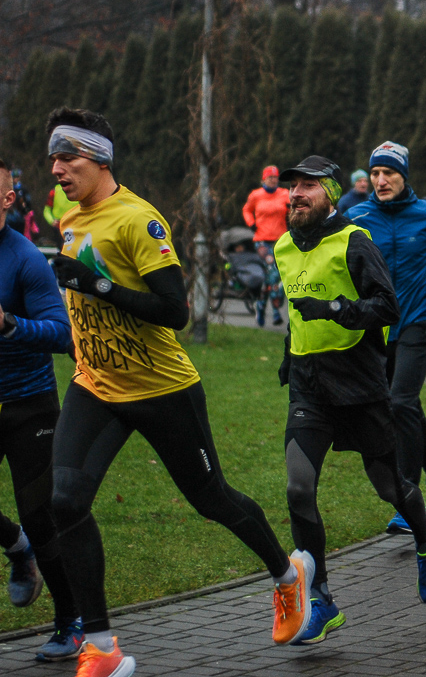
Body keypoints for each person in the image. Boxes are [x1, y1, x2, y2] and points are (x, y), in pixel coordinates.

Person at [44, 109, 312, 677]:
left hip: (162, 389)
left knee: (212, 499)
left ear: (100, 159)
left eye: (67, 157)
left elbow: (174, 311)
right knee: (64, 501)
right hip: (95, 385)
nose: (57, 168)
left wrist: (95, 284)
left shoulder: (139, 220)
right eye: (53, 159)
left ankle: (288, 575)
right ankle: (101, 647)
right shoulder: (69, 219)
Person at [274, 155, 426, 643]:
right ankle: (322, 600)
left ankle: (424, 540)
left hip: (359, 386)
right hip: (310, 387)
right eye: (292, 187)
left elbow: (387, 307)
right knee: (298, 489)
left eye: (308, 186)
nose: (296, 194)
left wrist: (334, 309)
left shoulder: (355, 241)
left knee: (390, 487)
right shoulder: (283, 245)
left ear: (330, 193)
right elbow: (296, 311)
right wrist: (289, 353)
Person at [348, 141, 426, 535]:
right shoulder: (356, 217)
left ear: (404, 176)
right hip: (377, 327)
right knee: (402, 405)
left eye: (388, 173)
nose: (380, 180)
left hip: (420, 319)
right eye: (375, 173)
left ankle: (407, 496)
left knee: (400, 402)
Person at [0, 156, 83, 662]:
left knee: (41, 514)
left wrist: (8, 324)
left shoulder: (25, 258)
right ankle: (16, 546)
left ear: (8, 199)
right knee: (27, 530)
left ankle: (70, 620)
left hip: (28, 405)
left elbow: (60, 333)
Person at [241, 166, 289, 326]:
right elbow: (246, 210)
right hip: (262, 241)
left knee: (272, 278)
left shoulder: (284, 194)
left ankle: (260, 306)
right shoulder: (256, 195)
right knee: (273, 273)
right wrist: (251, 223)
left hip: (280, 240)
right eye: (270, 178)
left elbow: (293, 209)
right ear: (264, 179)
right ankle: (276, 312)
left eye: (276, 178)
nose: (273, 180)